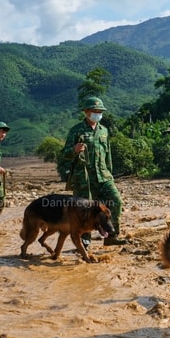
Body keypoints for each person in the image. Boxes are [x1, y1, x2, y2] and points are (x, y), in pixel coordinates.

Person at [62, 96, 126, 247]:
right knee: (84, 211)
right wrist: (74, 150)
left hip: (104, 177)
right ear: (86, 111)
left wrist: (110, 173)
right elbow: (64, 154)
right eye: (94, 111)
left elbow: (107, 154)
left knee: (116, 201)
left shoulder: (104, 130)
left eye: (100, 111)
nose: (98, 113)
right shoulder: (76, 131)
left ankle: (111, 236)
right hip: (83, 179)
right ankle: (84, 241)